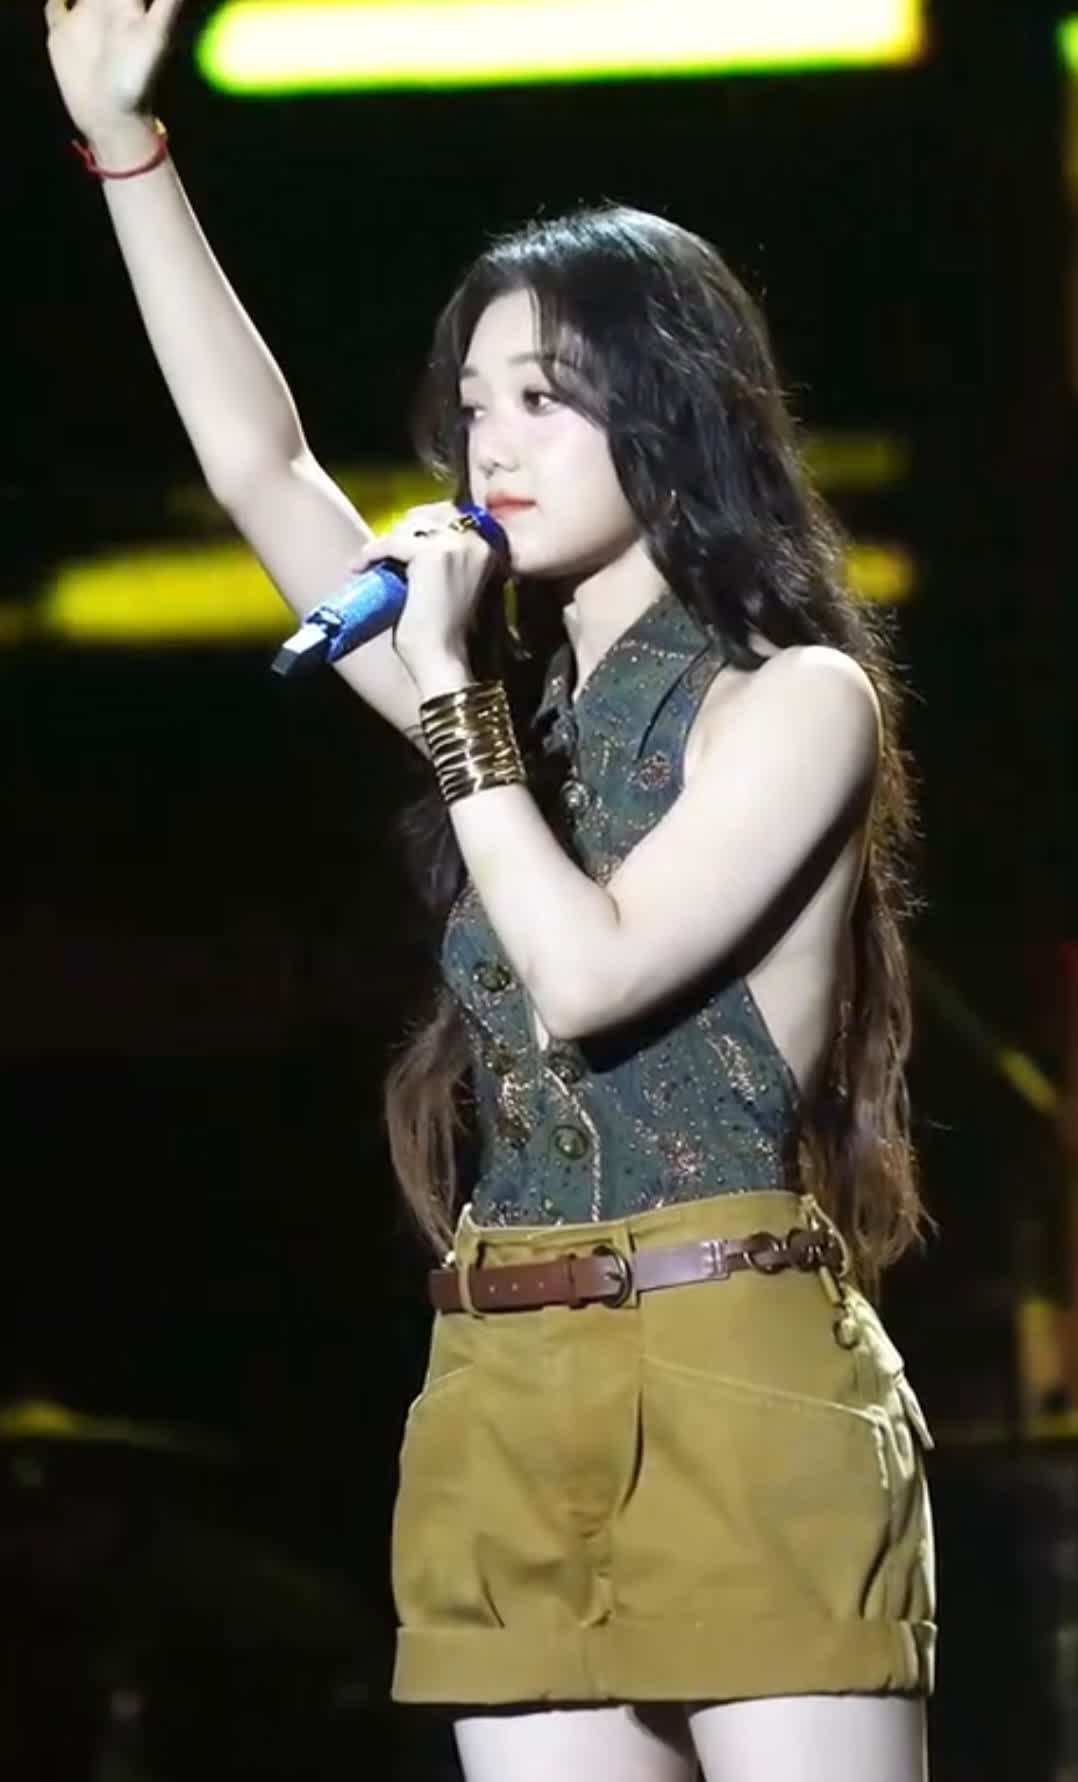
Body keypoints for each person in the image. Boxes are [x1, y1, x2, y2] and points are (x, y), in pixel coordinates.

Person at [45, 2, 937, 1775]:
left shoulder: (795, 700)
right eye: (469, 408)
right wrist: (127, 155)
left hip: (731, 1353)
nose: (488, 449)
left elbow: (590, 968)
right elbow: (263, 472)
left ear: (668, 418)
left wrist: (453, 697)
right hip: (501, 1372)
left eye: (542, 400)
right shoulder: (508, 720)